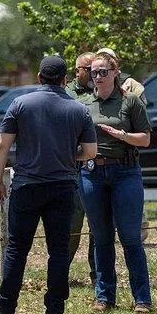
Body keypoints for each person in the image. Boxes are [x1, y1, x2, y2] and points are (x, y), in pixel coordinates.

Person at [0, 55, 97, 314]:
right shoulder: (78, 109)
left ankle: (6, 308)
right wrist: (71, 157)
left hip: (26, 186)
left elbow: (2, 145)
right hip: (62, 187)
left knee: (16, 249)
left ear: (39, 77)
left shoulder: (20, 104)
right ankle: (55, 311)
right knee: (58, 250)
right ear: (64, 80)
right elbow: (91, 152)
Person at [78, 52, 153, 314]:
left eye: (103, 72)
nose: (98, 76)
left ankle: (142, 299)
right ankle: (104, 296)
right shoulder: (84, 104)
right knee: (101, 238)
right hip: (92, 174)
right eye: (94, 72)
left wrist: (122, 135)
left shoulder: (130, 101)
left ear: (115, 72)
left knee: (131, 238)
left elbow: (145, 139)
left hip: (125, 173)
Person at [65, 51, 97, 285]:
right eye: (89, 69)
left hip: (98, 168)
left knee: (99, 227)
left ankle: (98, 274)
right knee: (72, 226)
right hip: (75, 167)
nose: (95, 74)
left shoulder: (104, 90)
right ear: (78, 71)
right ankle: (61, 271)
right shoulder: (68, 94)